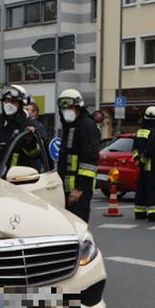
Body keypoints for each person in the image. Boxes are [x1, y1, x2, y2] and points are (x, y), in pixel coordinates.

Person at [56, 89, 100, 222]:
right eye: (63, 108)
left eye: (70, 107)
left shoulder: (88, 126)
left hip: (79, 190)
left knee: (78, 225)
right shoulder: (68, 127)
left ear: (78, 107)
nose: (66, 111)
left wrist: (79, 189)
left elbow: (89, 162)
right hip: (66, 189)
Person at [132, 106, 155, 222]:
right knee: (153, 189)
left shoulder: (139, 132)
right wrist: (143, 160)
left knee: (141, 188)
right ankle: (153, 214)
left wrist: (138, 160)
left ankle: (139, 212)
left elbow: (135, 149)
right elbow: (150, 150)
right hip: (152, 167)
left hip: (142, 167)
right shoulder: (153, 133)